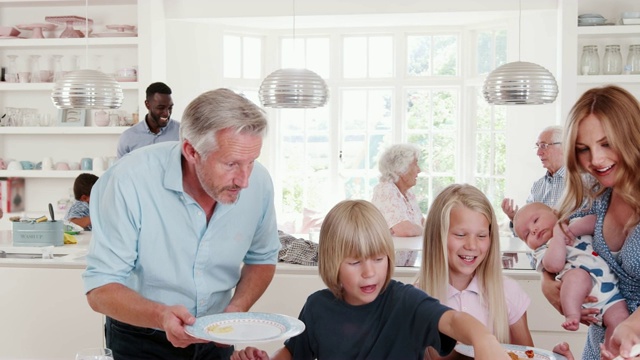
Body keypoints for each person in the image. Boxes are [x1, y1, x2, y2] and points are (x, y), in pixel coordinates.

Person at [83, 88, 280, 359]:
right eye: (232, 163)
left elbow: (263, 258)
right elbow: (101, 289)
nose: (244, 180)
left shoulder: (259, 184)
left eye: (251, 162)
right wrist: (161, 315)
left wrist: (237, 308)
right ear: (191, 151)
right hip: (142, 336)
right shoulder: (128, 181)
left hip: (217, 335)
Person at [232, 200, 511, 360]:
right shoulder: (317, 307)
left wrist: (483, 338)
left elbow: (451, 321)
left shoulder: (406, 301)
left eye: (378, 259)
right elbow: (294, 355)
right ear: (332, 262)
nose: (369, 272)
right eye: (355, 262)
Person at [541, 85, 640, 360]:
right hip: (601, 349)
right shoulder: (596, 199)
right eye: (583, 149)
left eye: (607, 143)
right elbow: (563, 246)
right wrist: (547, 281)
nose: (595, 160)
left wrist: (631, 325)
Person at [417, 184, 533, 359]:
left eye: (481, 236)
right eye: (460, 234)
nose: (471, 245)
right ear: (437, 236)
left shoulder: (508, 292)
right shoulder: (415, 300)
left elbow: (528, 355)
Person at [514, 202, 628, 348]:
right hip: (580, 291)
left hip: (611, 292)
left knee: (620, 320)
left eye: (535, 220)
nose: (534, 229)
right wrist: (558, 237)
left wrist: (570, 229)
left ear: (555, 213)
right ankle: (572, 315)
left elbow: (598, 223)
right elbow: (554, 264)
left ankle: (610, 352)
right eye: (527, 234)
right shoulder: (543, 250)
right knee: (578, 276)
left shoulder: (573, 224)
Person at [502, 125, 565, 231]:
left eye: (544, 146)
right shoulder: (537, 187)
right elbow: (528, 234)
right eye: (538, 146)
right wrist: (514, 218)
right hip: (540, 248)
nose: (538, 153)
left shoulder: (584, 183)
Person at [371, 143, 424, 237]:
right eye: (415, 164)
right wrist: (424, 230)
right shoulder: (385, 190)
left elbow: (422, 223)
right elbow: (405, 230)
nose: (419, 170)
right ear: (401, 169)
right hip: (390, 252)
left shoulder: (408, 193)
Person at [116, 81, 181, 158]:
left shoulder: (182, 132)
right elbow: (122, 169)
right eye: (161, 108)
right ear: (147, 104)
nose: (167, 113)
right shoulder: (128, 137)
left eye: (170, 107)